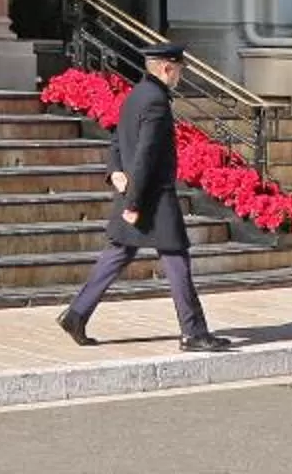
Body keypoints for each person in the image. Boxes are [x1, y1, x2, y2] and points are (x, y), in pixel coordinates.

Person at [58, 40, 232, 353]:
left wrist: (114, 171)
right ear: (167, 68)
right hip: (152, 197)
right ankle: (193, 333)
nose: (180, 75)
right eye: (178, 69)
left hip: (139, 193)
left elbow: (117, 141)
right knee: (177, 259)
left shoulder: (136, 95)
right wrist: (134, 203)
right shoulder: (155, 101)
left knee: (118, 254)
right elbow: (146, 156)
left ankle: (76, 314)